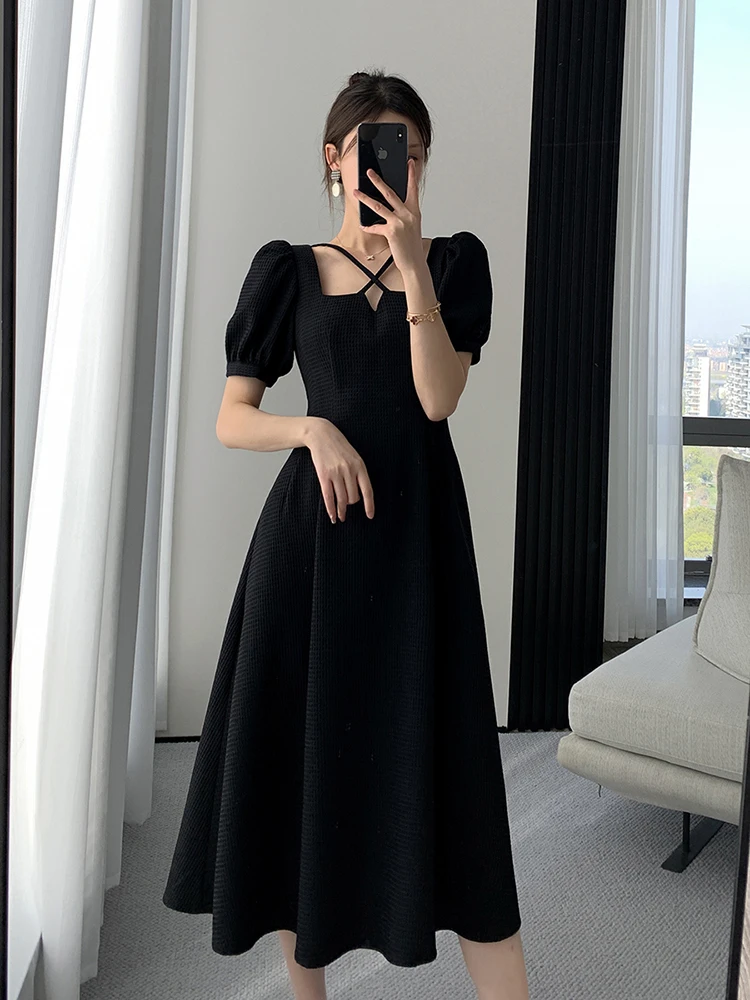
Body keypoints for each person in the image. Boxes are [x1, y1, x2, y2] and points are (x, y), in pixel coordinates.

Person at [162, 69, 531, 1000]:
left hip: (418, 553)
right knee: (301, 782)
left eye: (413, 153)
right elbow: (232, 417)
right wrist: (311, 429)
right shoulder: (285, 271)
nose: (399, 168)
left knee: (454, 791)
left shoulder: (454, 264)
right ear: (335, 160)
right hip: (310, 550)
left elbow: (437, 399)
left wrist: (411, 268)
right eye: (379, 150)